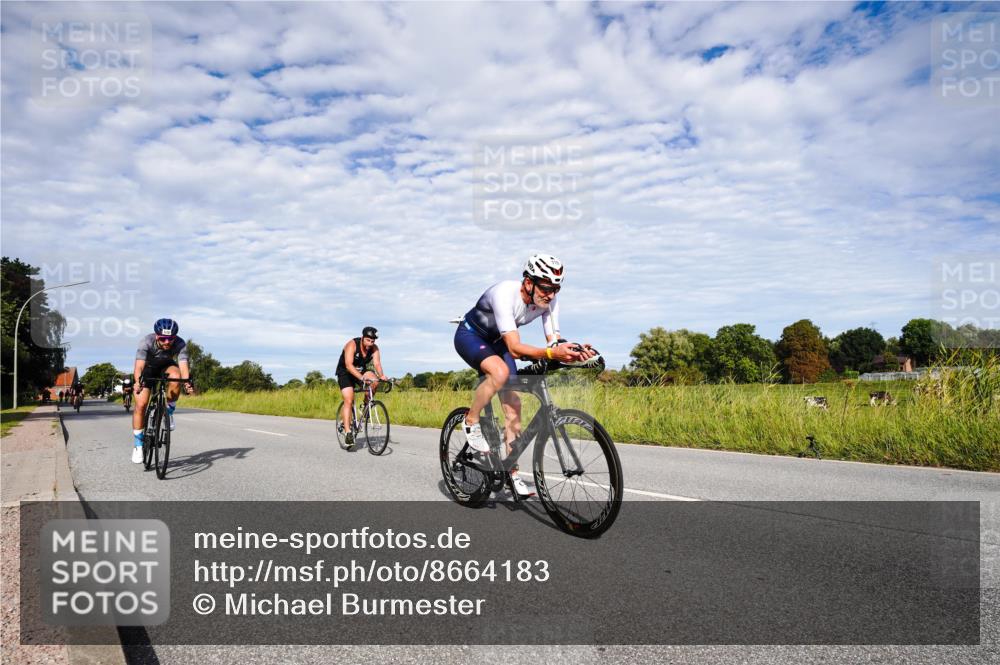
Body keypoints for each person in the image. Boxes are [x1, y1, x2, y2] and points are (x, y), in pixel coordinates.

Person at [454, 253, 595, 497]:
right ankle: (471, 421)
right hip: (471, 336)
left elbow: (554, 340)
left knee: (513, 406)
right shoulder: (504, 294)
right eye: (546, 287)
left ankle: (512, 472)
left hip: (498, 342)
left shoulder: (550, 302)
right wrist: (551, 354)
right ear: (529, 282)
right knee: (499, 372)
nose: (550, 294)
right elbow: (515, 349)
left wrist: (574, 350)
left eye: (555, 289)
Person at [131, 318, 194, 463]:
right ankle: (138, 445)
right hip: (148, 369)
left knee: (176, 376)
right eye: (163, 339)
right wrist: (137, 382)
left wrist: (187, 382)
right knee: (141, 405)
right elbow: (139, 366)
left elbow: (183, 366)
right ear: (157, 335)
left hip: (166, 366)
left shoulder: (180, 343)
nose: (167, 342)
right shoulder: (146, 341)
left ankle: (169, 411)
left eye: (170, 339)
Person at [336, 326, 389, 448]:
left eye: (372, 341)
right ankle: (348, 433)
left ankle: (366, 405)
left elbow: (376, 363)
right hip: (345, 373)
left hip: (361, 371)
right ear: (362, 338)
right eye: (368, 340)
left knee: (374, 380)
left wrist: (382, 376)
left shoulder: (374, 348)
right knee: (349, 399)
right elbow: (349, 365)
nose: (370, 343)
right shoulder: (352, 344)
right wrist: (361, 378)